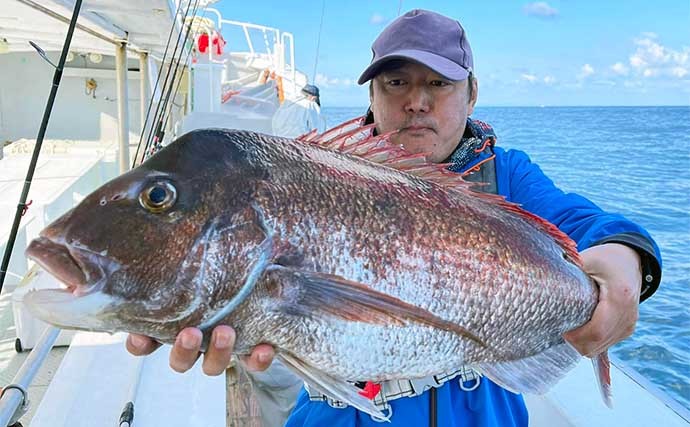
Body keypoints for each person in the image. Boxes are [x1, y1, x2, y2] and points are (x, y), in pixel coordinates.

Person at [127, 9, 662, 427]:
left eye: (439, 84)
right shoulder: (316, 173)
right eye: (397, 84)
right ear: (373, 94)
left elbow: (586, 222)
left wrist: (626, 258)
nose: (416, 103)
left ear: (472, 94)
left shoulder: (506, 176)